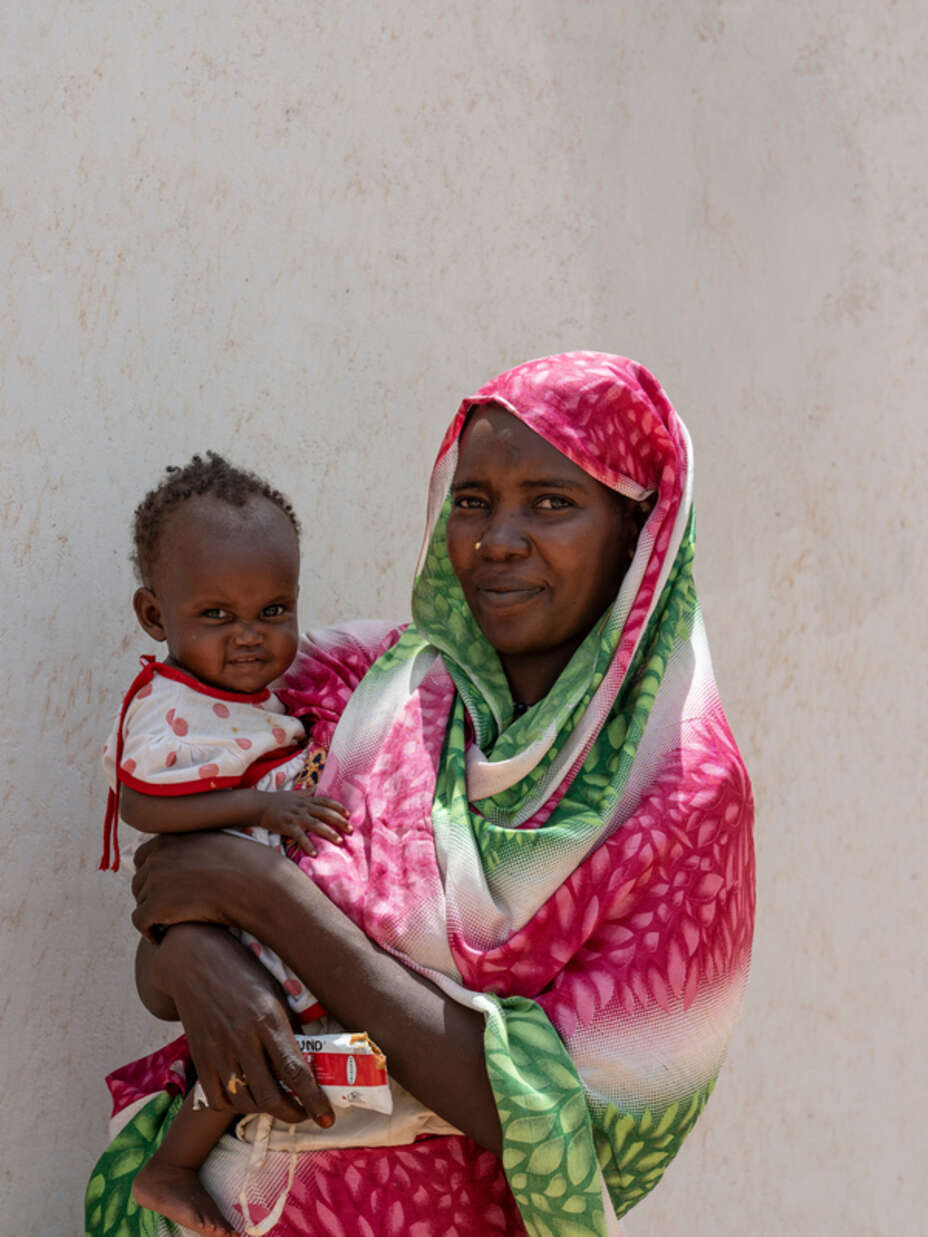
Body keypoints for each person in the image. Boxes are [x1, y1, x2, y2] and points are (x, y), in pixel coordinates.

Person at [87, 353, 755, 1237]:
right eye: (473, 500)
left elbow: (578, 1126)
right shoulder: (355, 681)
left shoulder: (682, 796)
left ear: (638, 531)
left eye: (551, 501)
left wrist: (266, 902)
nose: (498, 538)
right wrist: (193, 955)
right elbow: (164, 918)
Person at [99, 453, 351, 1237]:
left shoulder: (262, 696)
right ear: (154, 614)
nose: (249, 637)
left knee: (273, 1042)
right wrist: (261, 808)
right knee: (256, 1031)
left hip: (260, 912)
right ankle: (170, 1167)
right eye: (216, 615)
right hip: (227, 924)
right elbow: (143, 802)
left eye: (274, 611)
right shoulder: (168, 709)